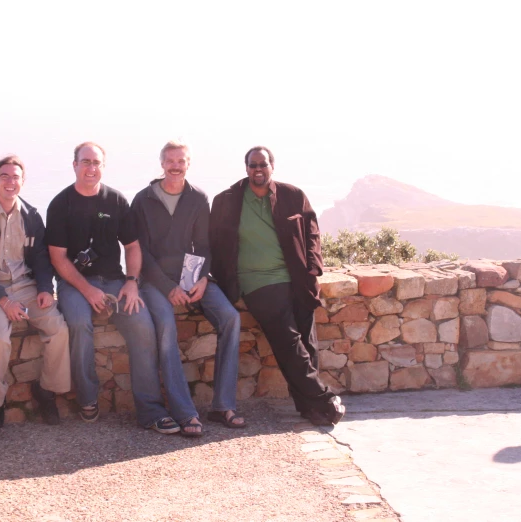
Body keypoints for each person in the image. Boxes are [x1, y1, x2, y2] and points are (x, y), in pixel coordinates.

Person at [46, 142, 195, 436]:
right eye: (85, 162)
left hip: (115, 281)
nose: (91, 168)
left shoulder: (115, 200)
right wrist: (88, 291)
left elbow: (132, 246)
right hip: (74, 283)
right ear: (74, 165)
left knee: (142, 323)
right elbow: (58, 258)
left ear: (103, 166)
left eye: (96, 162)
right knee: (78, 322)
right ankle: (87, 398)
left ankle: (151, 410)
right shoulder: (60, 204)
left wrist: (131, 282)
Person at [209, 146, 345, 426]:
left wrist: (313, 267)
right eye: (252, 165)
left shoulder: (293, 196)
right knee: (289, 340)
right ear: (246, 168)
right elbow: (214, 242)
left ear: (272, 166)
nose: (258, 169)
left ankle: (310, 409)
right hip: (256, 280)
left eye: (263, 164)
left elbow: (312, 232)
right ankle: (323, 398)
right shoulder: (227, 201)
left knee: (306, 343)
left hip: (296, 277)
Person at [131, 140, 243, 431]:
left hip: (192, 277)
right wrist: (169, 287)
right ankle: (184, 412)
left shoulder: (198, 198)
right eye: (170, 161)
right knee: (167, 326)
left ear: (188, 164)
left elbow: (204, 246)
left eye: (181, 161)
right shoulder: (143, 200)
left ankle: (223, 406)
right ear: (162, 164)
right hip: (154, 282)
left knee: (231, 318)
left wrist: (203, 278)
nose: (176, 166)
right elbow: (140, 252)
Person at [0, 155, 71, 428]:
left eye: (16, 177)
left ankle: (46, 391)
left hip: (26, 288)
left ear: (23, 181)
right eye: (5, 176)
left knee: (59, 329)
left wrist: (45, 288)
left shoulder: (32, 217)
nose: (11, 182)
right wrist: (4, 300)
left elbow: (42, 259)